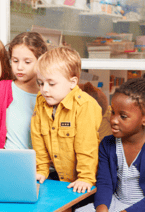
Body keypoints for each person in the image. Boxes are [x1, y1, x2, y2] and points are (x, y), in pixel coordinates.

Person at [93, 67, 145, 212]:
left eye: (123, 116)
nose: (113, 120)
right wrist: (102, 210)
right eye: (113, 112)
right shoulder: (107, 144)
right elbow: (104, 184)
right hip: (116, 203)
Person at [31, 47, 102, 193]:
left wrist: (86, 177)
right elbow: (38, 140)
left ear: (72, 82)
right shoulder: (41, 100)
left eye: (51, 84)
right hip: (57, 178)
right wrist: (41, 170)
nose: (44, 89)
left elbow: (87, 146)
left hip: (82, 180)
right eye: (40, 83)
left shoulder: (85, 106)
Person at [0, 32, 47, 149]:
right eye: (15, 61)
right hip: (5, 160)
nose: (19, 67)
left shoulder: (47, 93)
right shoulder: (3, 88)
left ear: (40, 61)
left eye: (27, 62)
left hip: (38, 163)